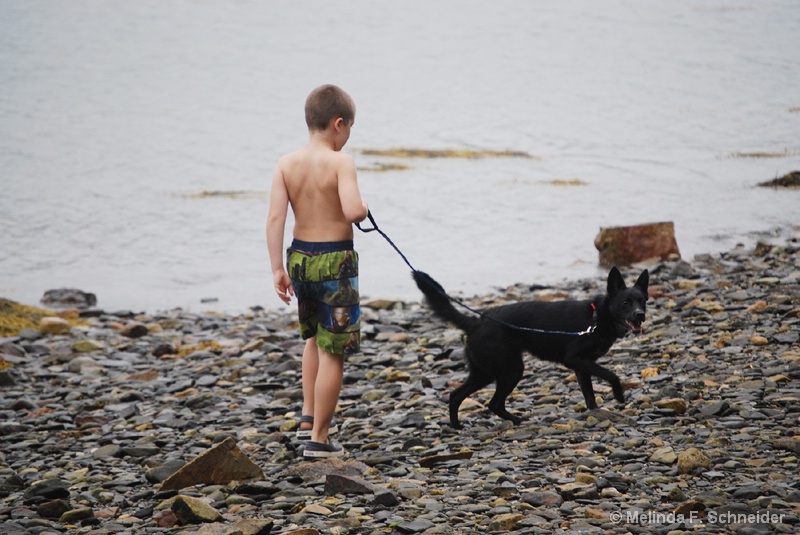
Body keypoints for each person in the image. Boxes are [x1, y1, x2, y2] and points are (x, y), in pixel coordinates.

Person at [266, 84, 369, 459]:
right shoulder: (341, 162)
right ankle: (320, 440)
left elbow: (276, 217)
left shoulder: (286, 163)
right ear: (338, 124)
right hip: (334, 263)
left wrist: (277, 267)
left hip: (299, 259)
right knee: (333, 350)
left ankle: (308, 418)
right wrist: (364, 202)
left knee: (312, 338)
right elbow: (354, 212)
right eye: (350, 129)